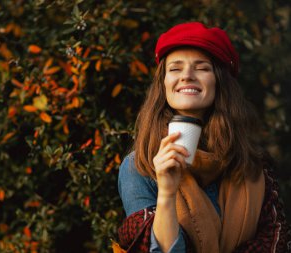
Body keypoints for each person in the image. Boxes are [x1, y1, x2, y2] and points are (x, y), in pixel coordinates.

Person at [115, 22, 291, 253]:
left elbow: (276, 243)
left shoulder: (252, 164)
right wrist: (167, 192)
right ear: (164, 83)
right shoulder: (140, 165)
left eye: (202, 68)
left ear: (219, 81)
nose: (187, 76)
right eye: (175, 69)